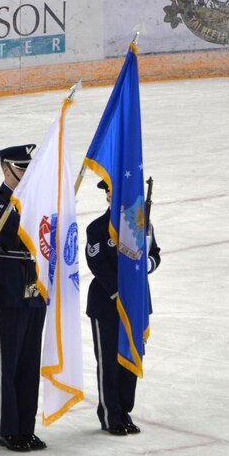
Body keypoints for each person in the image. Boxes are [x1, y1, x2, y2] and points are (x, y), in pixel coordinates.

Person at [0, 144, 48, 452]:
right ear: (6, 169)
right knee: (9, 363)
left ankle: (26, 427)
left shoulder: (36, 200)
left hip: (35, 287)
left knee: (29, 363)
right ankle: (8, 430)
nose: (26, 174)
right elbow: (11, 231)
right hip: (9, 287)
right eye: (21, 169)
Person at [85, 180, 161, 435]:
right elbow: (97, 264)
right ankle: (110, 415)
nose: (112, 195)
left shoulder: (140, 223)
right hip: (107, 303)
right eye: (109, 191)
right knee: (109, 361)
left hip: (136, 304)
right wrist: (120, 293)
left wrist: (148, 265)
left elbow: (155, 253)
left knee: (130, 358)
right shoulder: (96, 228)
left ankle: (125, 411)